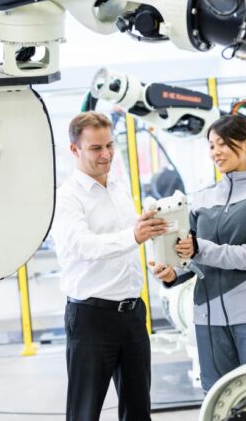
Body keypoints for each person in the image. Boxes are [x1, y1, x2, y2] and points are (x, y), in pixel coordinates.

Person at [150, 114, 246, 392]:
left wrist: (200, 248)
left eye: (223, 144)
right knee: (216, 393)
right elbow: (193, 260)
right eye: (211, 145)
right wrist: (172, 273)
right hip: (206, 316)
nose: (216, 152)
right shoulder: (200, 198)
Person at [50, 112, 167, 421]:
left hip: (131, 314)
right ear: (75, 150)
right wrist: (133, 234)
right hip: (91, 318)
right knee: (85, 413)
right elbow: (83, 245)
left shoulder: (118, 188)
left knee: (139, 411)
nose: (106, 155)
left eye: (109, 146)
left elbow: (129, 246)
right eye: (95, 148)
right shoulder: (65, 198)